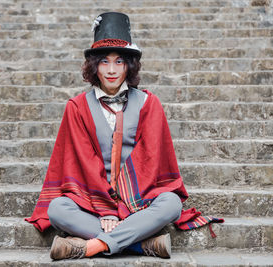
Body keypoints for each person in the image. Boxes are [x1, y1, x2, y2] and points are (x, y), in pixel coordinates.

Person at [25, 12, 223, 261]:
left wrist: (124, 209)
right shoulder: (77, 107)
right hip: (92, 202)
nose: (111, 70)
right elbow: (81, 163)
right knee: (56, 209)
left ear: (129, 66)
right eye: (104, 62)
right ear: (94, 66)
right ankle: (141, 244)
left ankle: (90, 246)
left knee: (171, 203)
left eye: (119, 62)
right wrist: (106, 209)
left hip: (139, 200)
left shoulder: (149, 104)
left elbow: (150, 161)